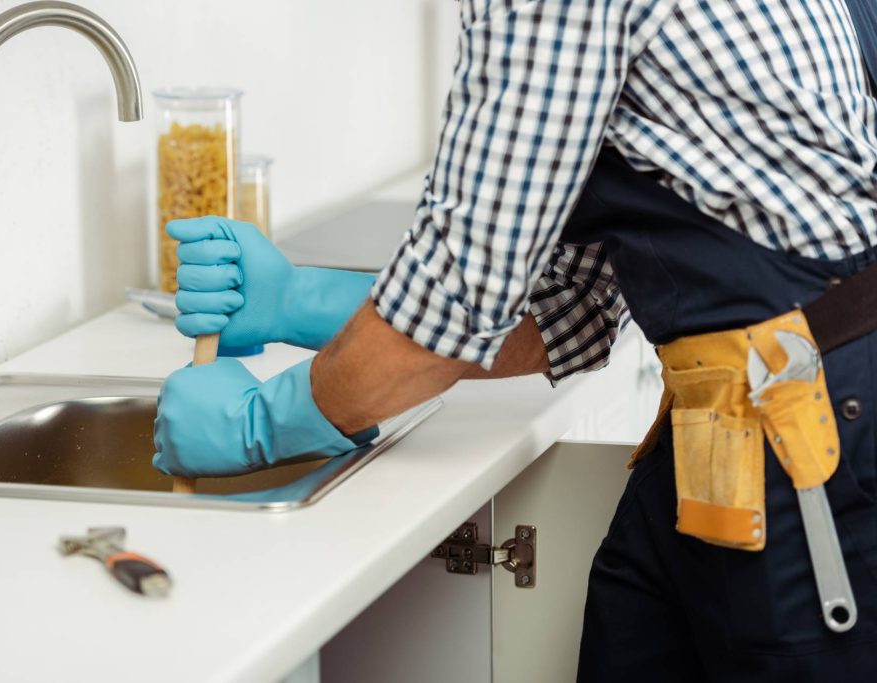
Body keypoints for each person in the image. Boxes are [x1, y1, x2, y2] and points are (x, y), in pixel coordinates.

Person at [153, 0, 877, 679]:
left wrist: (263, 424)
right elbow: (574, 300)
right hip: (728, 413)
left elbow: (464, 287)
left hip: (802, 426)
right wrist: (300, 301)